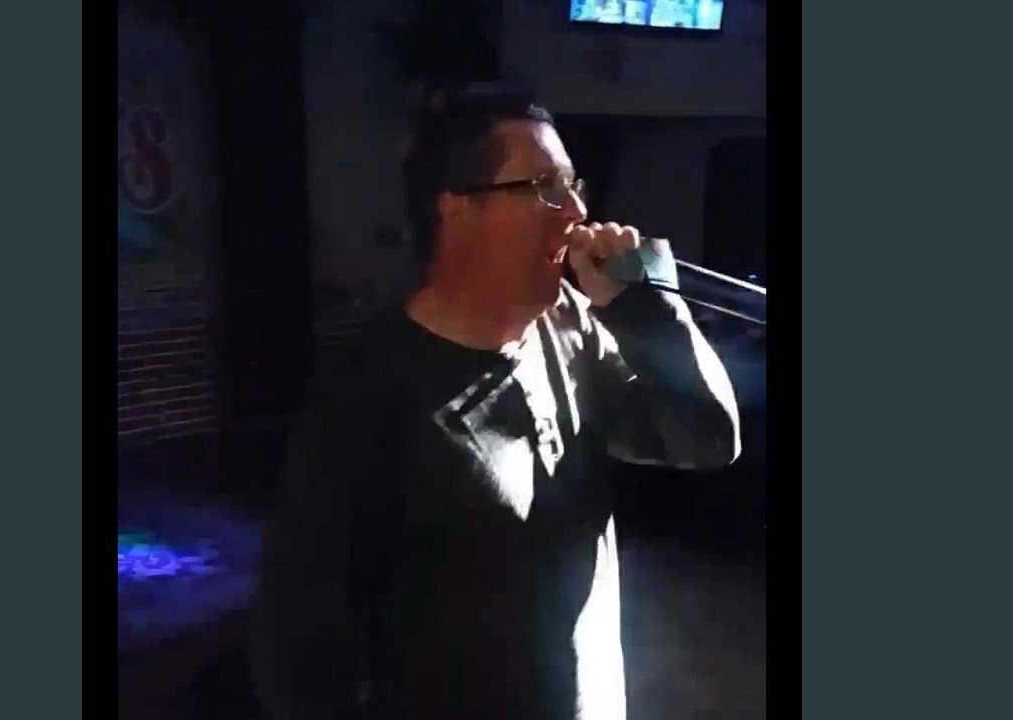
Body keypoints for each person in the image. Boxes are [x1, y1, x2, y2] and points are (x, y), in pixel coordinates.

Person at [250, 89, 741, 720]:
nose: (576, 210)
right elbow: (297, 656)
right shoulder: (366, 398)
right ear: (456, 209)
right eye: (544, 187)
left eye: (573, 185)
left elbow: (707, 439)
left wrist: (647, 305)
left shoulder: (570, 328)